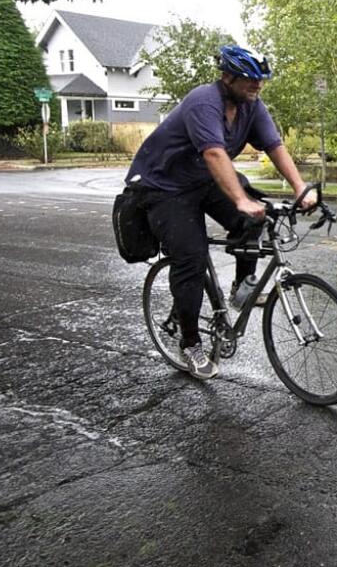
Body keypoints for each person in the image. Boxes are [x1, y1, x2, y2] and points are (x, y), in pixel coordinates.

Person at [125, 45, 316, 379]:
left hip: (202, 180)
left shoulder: (251, 106)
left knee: (258, 213)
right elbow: (214, 153)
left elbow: (275, 146)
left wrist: (300, 187)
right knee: (191, 261)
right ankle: (190, 343)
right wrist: (239, 199)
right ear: (227, 76)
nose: (257, 87)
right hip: (163, 187)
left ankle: (242, 284)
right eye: (249, 80)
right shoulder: (203, 101)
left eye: (261, 81)